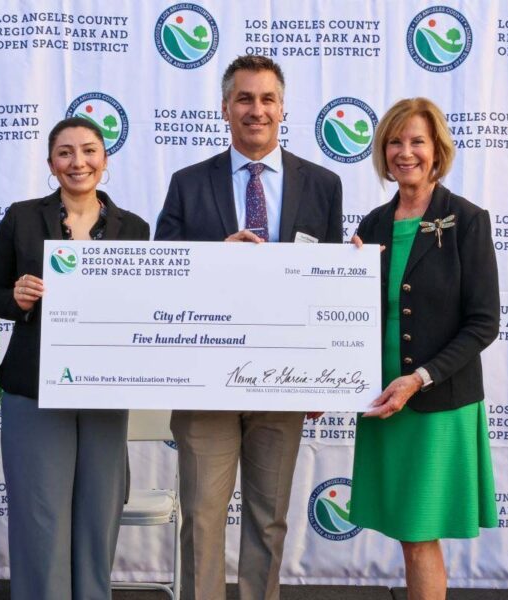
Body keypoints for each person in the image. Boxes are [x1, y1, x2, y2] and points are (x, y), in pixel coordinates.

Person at [155, 55, 342, 600]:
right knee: (202, 519)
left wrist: (322, 376)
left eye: (266, 99)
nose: (255, 110)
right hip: (204, 380)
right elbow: (161, 272)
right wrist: (216, 256)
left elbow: (329, 289)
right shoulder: (188, 183)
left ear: (283, 109)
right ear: (224, 109)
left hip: (283, 381)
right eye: (244, 99)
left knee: (268, 519)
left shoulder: (323, 185)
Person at [0, 117, 149, 600]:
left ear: (105, 158)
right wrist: (16, 297)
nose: (78, 162)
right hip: (33, 386)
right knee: (41, 517)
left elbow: (145, 303)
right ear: (51, 163)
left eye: (89, 150)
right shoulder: (21, 218)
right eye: (65, 152)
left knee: (99, 515)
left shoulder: (134, 228)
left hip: (104, 387)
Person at [349, 98, 499, 600]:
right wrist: (343, 275)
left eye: (417, 141)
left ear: (437, 151)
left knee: (418, 536)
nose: (405, 152)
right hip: (381, 398)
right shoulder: (371, 225)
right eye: (395, 141)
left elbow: (483, 323)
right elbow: (351, 314)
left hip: (436, 400)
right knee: (407, 535)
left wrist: (420, 378)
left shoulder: (467, 220)